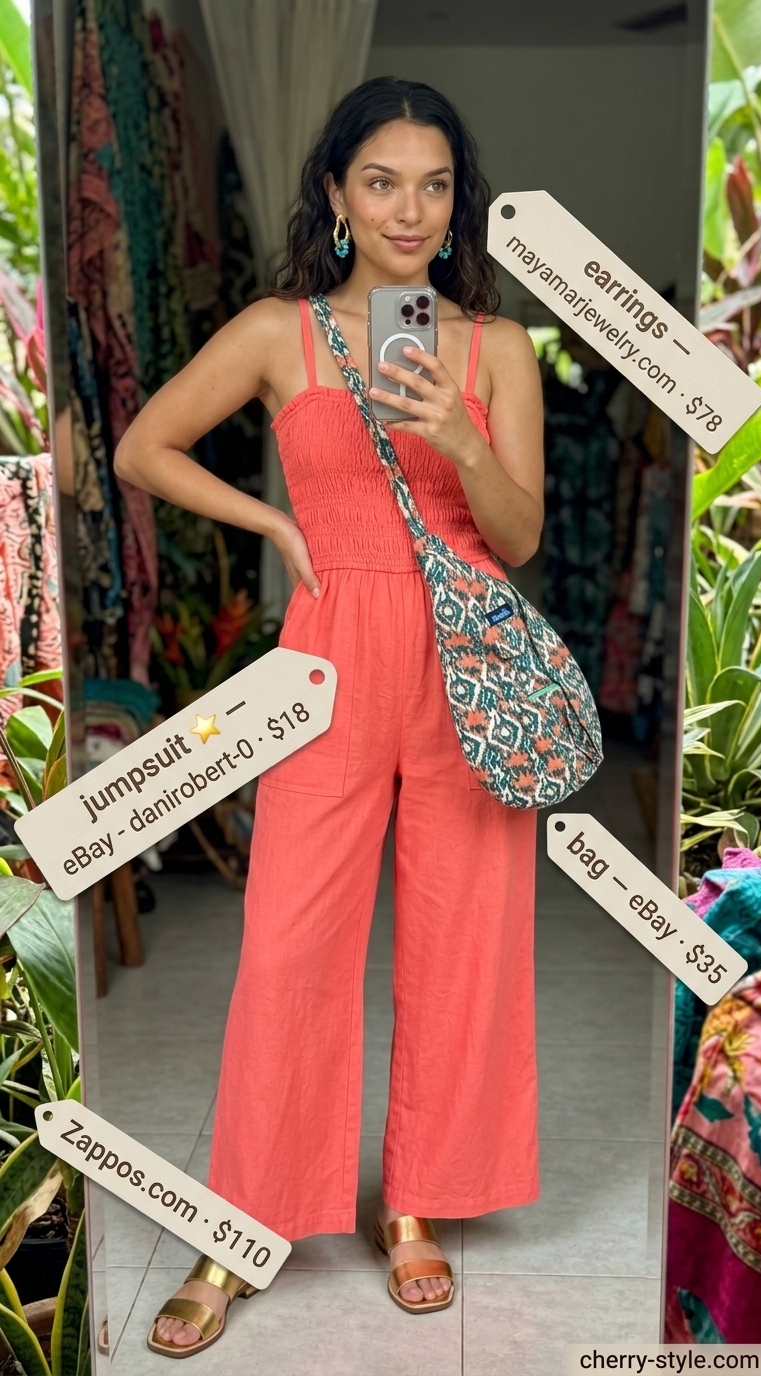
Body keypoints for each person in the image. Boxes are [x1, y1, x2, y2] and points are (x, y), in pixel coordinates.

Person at [115, 75, 544, 1358]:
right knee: (288, 944)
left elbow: (518, 535)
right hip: (330, 649)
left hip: (467, 650)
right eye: (382, 182)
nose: (411, 210)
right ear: (336, 194)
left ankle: (413, 1203)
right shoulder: (277, 331)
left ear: (459, 202)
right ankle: (238, 1226)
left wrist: (461, 442)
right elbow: (143, 448)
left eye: (436, 185)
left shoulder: (497, 348)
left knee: (466, 938)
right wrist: (274, 524)